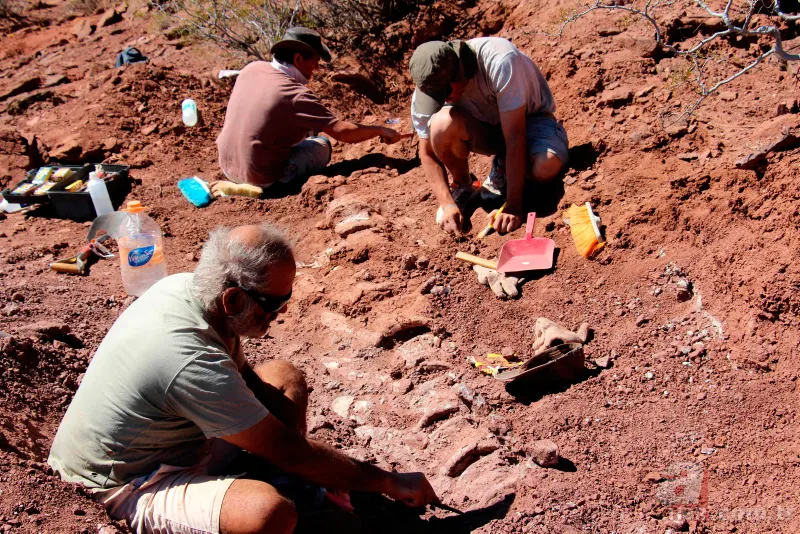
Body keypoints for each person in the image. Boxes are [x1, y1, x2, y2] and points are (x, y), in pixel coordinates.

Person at [48, 224, 438, 534]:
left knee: (284, 377)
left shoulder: (189, 292)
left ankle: (284, 480)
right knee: (268, 513)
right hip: (124, 483)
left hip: (180, 442)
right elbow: (290, 450)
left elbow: (248, 381)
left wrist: (293, 454)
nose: (280, 313)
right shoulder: (188, 358)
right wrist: (388, 482)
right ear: (233, 298)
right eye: (274, 304)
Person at [214, 27, 406, 195]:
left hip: (227, 165)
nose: (316, 67)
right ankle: (276, 185)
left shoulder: (252, 68)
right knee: (322, 144)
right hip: (260, 177)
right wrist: (380, 130)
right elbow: (342, 132)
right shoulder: (296, 95)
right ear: (298, 59)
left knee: (304, 132)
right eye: (315, 61)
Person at [409, 38, 569, 235]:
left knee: (545, 167)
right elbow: (427, 153)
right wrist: (447, 204)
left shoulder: (499, 60)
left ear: (460, 71)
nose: (441, 100)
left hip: (531, 121)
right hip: (489, 128)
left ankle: (506, 168)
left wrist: (513, 206)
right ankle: (465, 186)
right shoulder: (427, 86)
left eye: (444, 93)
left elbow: (515, 137)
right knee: (441, 125)